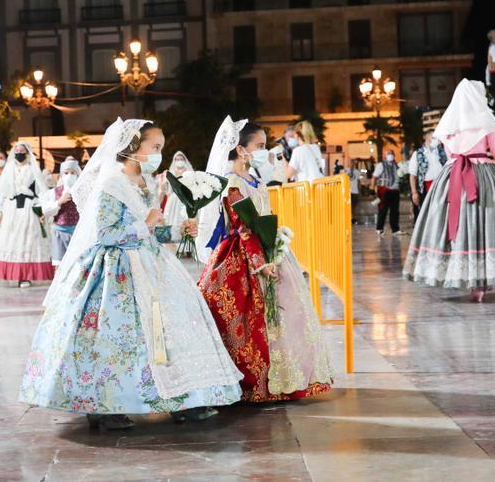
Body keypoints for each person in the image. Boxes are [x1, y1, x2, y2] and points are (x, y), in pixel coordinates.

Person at [20, 118, 241, 429]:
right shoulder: (111, 183)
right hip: (116, 270)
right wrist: (147, 225)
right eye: (155, 147)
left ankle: (184, 399)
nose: (158, 154)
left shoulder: (144, 183)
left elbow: (150, 230)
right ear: (134, 148)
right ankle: (105, 406)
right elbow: (106, 232)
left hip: (151, 263)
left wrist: (177, 230)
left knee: (175, 328)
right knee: (116, 338)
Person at [196, 118, 333, 401]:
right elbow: (241, 224)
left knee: (284, 315)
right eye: (258, 146)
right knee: (250, 316)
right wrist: (261, 258)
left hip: (266, 246)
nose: (263, 150)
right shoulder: (231, 181)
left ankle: (284, 376)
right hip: (243, 253)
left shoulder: (251, 178)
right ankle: (254, 381)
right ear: (240, 148)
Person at [403, 80, 495, 302]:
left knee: (455, 225)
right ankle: (480, 282)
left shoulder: (450, 126)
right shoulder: (485, 123)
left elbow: (450, 154)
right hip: (482, 176)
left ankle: (454, 274)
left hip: (452, 177)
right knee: (484, 224)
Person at [0, 143, 53, 286]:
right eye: (17, 151)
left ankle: (25, 276)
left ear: (27, 153)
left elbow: (42, 191)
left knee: (28, 240)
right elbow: (1, 192)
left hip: (29, 208)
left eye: (22, 151)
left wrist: (43, 209)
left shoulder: (33, 169)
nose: (19, 153)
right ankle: (13, 273)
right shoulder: (9, 169)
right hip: (11, 208)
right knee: (11, 240)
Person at [40, 157, 81, 265]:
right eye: (66, 173)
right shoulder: (54, 192)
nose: (69, 176)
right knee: (59, 263)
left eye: (73, 173)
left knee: (77, 263)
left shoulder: (82, 192)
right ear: (62, 175)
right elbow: (46, 210)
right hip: (59, 232)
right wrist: (59, 202)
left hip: (78, 233)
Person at [408, 131, 447, 217]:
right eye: (433, 137)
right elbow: (413, 176)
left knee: (442, 211)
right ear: (425, 137)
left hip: (442, 185)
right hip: (427, 186)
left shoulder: (442, 152)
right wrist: (414, 192)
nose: (435, 139)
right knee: (427, 213)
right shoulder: (417, 154)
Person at [161, 151, 195, 245]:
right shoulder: (171, 172)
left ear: (184, 160)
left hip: (185, 199)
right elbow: (167, 190)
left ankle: (186, 246)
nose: (179, 161)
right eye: (177, 159)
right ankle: (173, 245)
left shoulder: (189, 172)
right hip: (173, 200)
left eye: (181, 159)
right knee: (172, 221)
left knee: (184, 220)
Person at [373, 150, 402, 236]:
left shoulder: (396, 165)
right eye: (389, 154)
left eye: (392, 154)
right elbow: (374, 177)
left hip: (395, 190)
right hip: (384, 190)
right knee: (383, 210)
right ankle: (379, 228)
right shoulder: (381, 165)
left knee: (395, 211)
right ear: (385, 155)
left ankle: (395, 229)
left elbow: (399, 175)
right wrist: (372, 189)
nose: (391, 155)